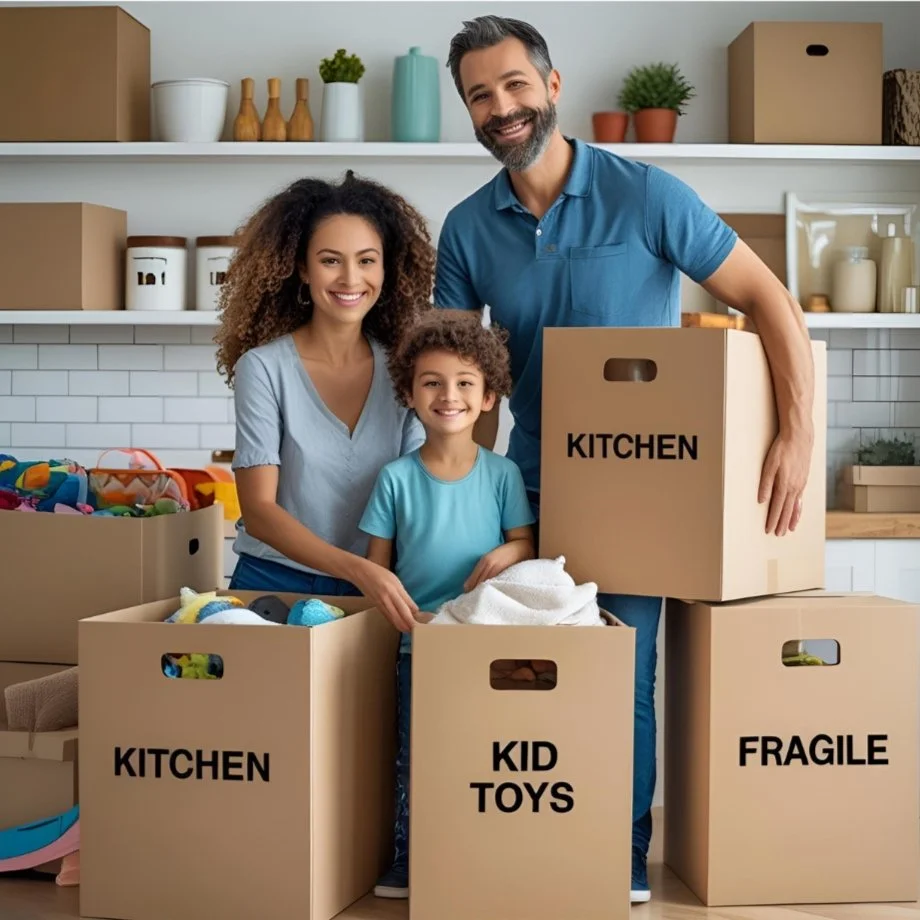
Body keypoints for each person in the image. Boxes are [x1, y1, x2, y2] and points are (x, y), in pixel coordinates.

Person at [437, 15, 817, 904]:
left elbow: (768, 299)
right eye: (480, 95)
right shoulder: (465, 229)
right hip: (527, 480)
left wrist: (796, 435)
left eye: (514, 86)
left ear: (553, 85)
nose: (501, 108)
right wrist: (460, 498)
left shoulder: (646, 195)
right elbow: (456, 378)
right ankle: (514, 836)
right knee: (516, 668)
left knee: (622, 668)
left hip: (640, 482)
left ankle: (617, 847)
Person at [358, 310, 536, 899]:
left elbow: (525, 545)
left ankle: (478, 849)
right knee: (417, 755)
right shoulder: (395, 479)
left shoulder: (503, 474)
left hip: (487, 647)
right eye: (431, 382)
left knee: (479, 753)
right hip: (419, 644)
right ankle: (411, 857)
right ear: (409, 393)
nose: (448, 395)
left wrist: (509, 555)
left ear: (489, 397)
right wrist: (408, 623)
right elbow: (376, 570)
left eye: (465, 382)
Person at [215, 170, 437, 630]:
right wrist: (358, 568)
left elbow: (418, 494)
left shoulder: (407, 372)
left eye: (367, 260)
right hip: (273, 585)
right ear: (302, 268)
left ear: (386, 268)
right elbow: (258, 512)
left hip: (378, 588)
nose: (351, 278)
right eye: (331, 260)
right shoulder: (263, 368)